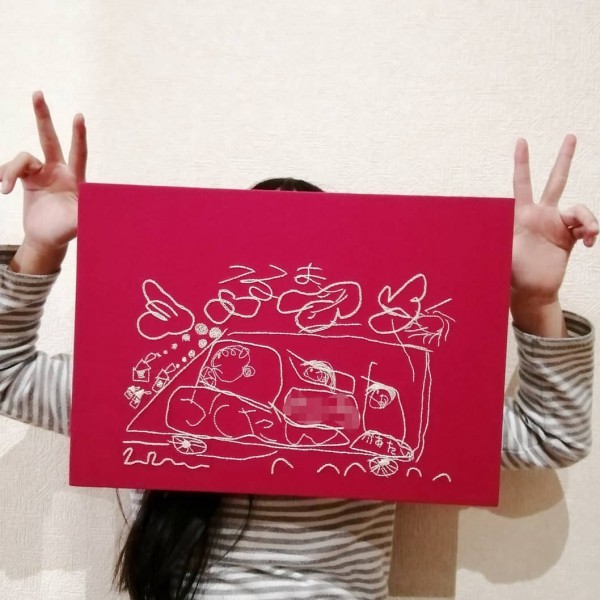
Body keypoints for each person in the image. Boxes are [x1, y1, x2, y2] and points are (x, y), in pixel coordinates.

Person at [0, 91, 596, 600]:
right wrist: (40, 249)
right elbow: (9, 377)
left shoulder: (368, 394)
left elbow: (551, 435)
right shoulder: (158, 371)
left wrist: (534, 300)